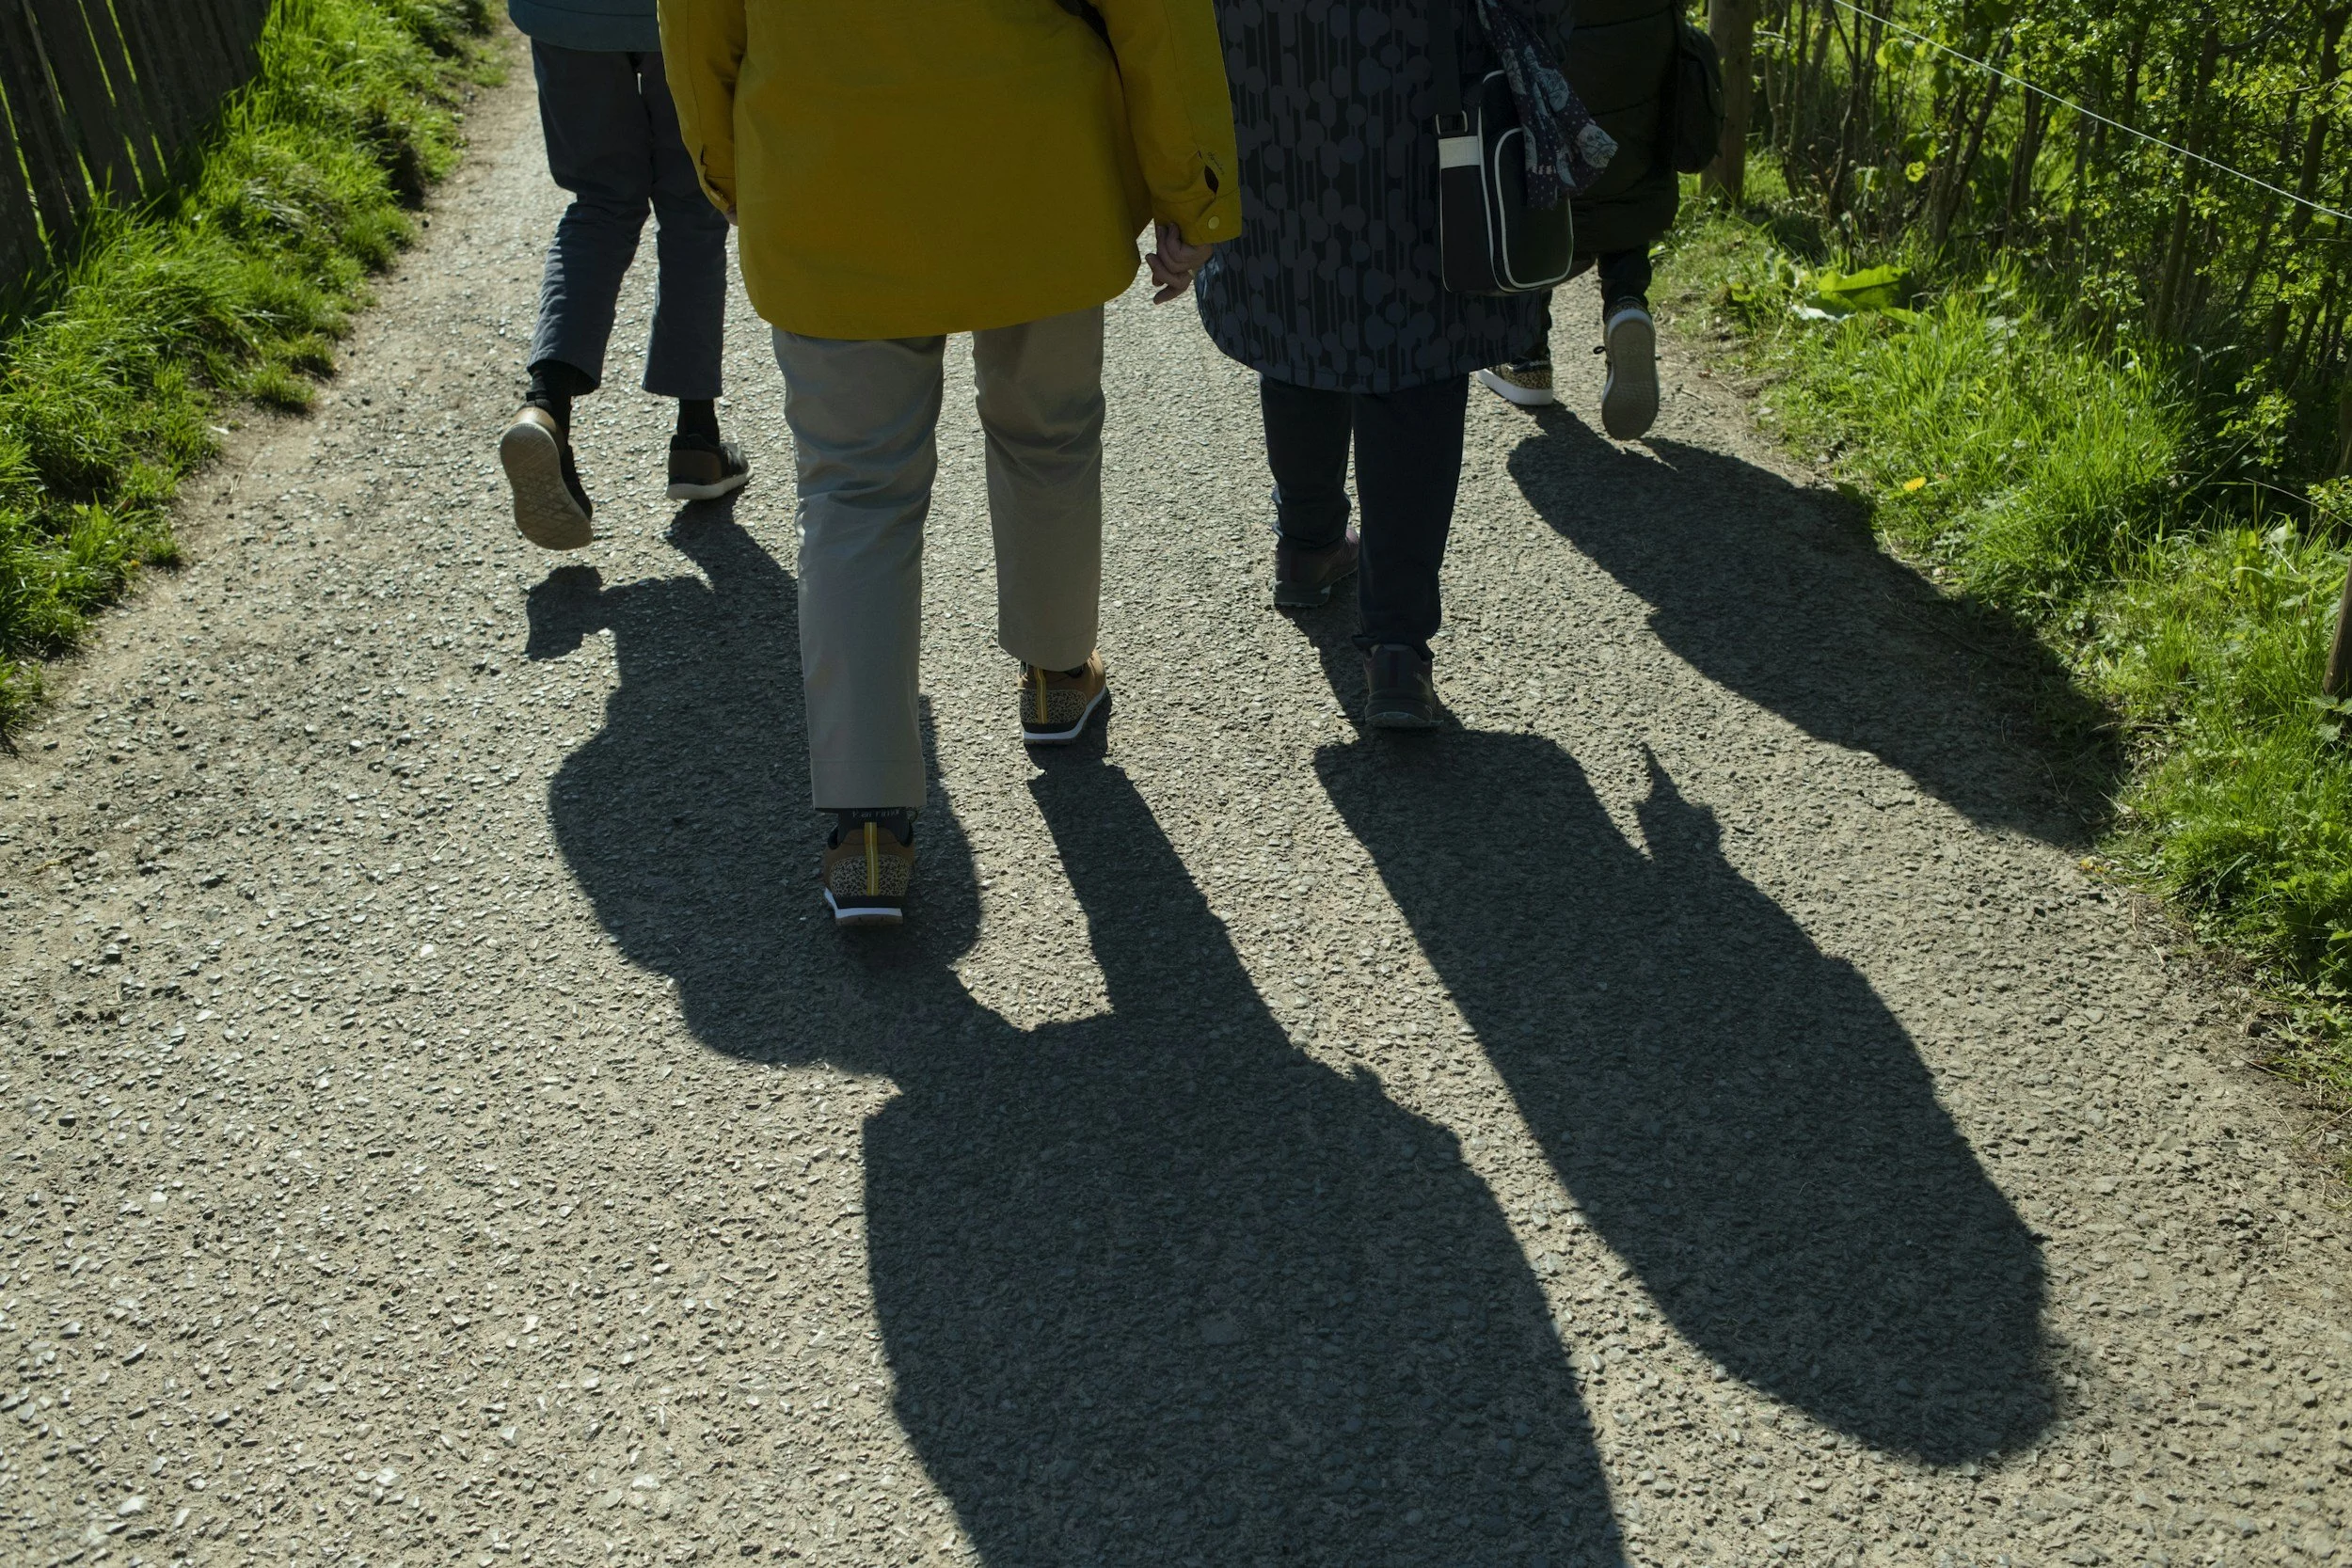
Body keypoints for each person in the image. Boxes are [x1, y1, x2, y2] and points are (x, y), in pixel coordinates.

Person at [661, 0, 1239, 926]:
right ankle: (1055, 675)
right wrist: (1192, 184)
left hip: (823, 161)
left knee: (852, 491)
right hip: (1032, 149)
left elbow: (696, 21)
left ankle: (867, 830)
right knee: (1046, 433)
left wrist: (727, 164)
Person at [1195, 0, 1603, 729]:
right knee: (1415, 344)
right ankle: (1395, 646)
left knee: (1301, 295)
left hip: (1265, 66)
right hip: (1422, 76)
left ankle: (1309, 542)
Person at [498, 0, 752, 552]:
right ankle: (696, 439)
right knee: (694, 205)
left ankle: (545, 406)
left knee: (601, 202)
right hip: (682, 17)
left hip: (565, 13)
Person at [1476, 0, 1680, 439]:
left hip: (1558, 52)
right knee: (1626, 165)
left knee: (1541, 169)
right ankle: (1627, 304)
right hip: (1643, 49)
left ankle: (1528, 357)